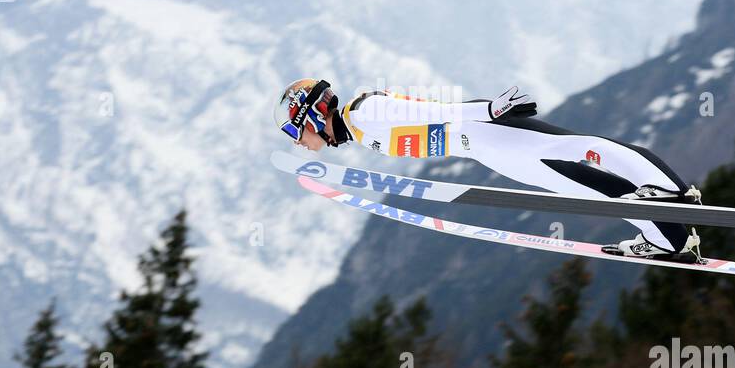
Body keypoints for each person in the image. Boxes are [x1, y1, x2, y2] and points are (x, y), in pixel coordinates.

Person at [273, 78, 703, 261]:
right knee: (582, 172)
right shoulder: (360, 124)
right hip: (488, 146)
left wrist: (490, 111)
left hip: (491, 135)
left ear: (311, 115)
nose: (300, 141)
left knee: (582, 158)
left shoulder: (364, 112)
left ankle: (670, 206)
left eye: (297, 130)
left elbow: (435, 111)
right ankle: (670, 226)